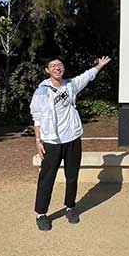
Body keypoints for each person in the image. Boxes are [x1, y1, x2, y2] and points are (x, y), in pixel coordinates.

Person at [30, 55, 111, 231]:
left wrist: (99, 66)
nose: (57, 67)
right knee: (47, 178)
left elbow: (87, 76)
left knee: (72, 176)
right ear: (47, 70)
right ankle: (41, 213)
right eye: (53, 65)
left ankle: (70, 207)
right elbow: (37, 117)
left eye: (59, 64)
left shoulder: (70, 85)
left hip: (72, 138)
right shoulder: (42, 91)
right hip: (52, 141)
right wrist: (38, 141)